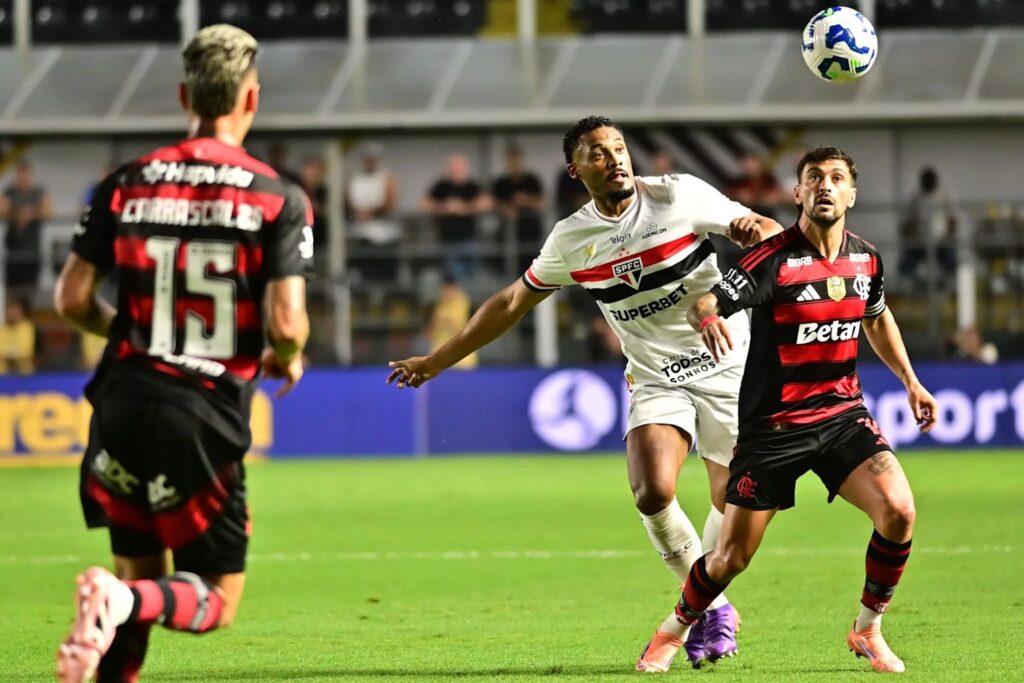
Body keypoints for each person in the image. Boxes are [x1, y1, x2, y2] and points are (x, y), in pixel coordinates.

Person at [388, 115, 783, 671]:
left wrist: (733, 267)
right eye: (598, 153)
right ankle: (713, 606)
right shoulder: (572, 239)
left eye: (619, 148)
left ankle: (702, 601)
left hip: (727, 363)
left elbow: (767, 233)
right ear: (576, 169)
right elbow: (509, 303)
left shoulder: (681, 195)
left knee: (731, 507)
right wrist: (437, 361)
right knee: (651, 491)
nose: (615, 158)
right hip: (655, 375)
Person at [53, 24, 314, 683]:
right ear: (251, 99)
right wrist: (287, 354)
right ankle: (116, 600)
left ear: (183, 95)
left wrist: (130, 334)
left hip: (119, 399)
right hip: (199, 411)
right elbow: (287, 323)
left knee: (137, 573)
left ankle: (113, 623)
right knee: (215, 597)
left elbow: (72, 297)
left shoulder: (127, 180)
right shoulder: (278, 196)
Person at [679, 147, 938, 674]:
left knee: (900, 511)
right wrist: (707, 318)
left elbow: (876, 317)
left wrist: (911, 381)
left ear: (851, 194)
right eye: (814, 177)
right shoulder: (773, 257)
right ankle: (673, 627)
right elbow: (707, 300)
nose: (825, 185)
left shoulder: (867, 258)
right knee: (731, 559)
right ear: (797, 193)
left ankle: (868, 629)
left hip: (843, 417)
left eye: (837, 178)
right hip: (774, 428)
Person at [421, 154, 491, 283]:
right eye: (453, 167)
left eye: (459, 167)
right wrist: (444, 208)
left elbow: (486, 203)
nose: (456, 170)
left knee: (472, 275)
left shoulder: (472, 186)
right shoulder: (441, 186)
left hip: (469, 238)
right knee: (454, 277)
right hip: (447, 240)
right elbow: (425, 204)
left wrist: (463, 208)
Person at [348, 142, 400, 282]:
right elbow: (350, 203)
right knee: (366, 274)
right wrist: (360, 213)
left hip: (386, 235)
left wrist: (370, 212)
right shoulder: (356, 179)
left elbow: (389, 203)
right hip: (363, 234)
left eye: (373, 159)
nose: (370, 162)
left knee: (387, 275)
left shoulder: (386, 177)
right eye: (367, 158)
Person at [1, 159, 53, 294]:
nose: (23, 178)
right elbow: (2, 210)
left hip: (32, 250)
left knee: (31, 289)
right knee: (12, 289)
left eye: (26, 175)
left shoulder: (38, 192)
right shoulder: (10, 192)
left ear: (30, 176)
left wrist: (31, 214)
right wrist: (18, 214)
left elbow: (48, 211)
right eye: (20, 175)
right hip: (13, 251)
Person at [898, 166, 957, 286]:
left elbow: (952, 221)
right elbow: (906, 224)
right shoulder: (915, 199)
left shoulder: (943, 197)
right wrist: (911, 236)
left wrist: (948, 237)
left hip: (941, 243)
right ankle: (915, 288)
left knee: (952, 262)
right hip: (919, 243)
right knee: (906, 264)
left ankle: (945, 287)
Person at [492, 146, 544, 274]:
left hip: (531, 235)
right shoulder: (501, 183)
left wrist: (525, 200)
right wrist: (506, 209)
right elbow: (492, 203)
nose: (513, 165)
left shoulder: (532, 181)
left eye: (516, 161)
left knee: (531, 270)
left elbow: (543, 203)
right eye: (510, 162)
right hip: (507, 235)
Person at [725, 153, 786, 219]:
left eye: (753, 165)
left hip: (767, 215)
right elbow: (730, 195)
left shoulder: (769, 179)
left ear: (760, 164)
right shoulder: (738, 182)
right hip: (746, 216)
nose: (750, 168)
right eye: (747, 166)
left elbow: (775, 196)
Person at [0, 297, 35, 374]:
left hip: (24, 374)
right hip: (2, 374)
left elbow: (26, 351)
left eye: (16, 311)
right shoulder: (1, 329)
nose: (13, 314)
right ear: (6, 312)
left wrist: (7, 355)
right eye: (11, 311)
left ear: (21, 313)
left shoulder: (27, 328)